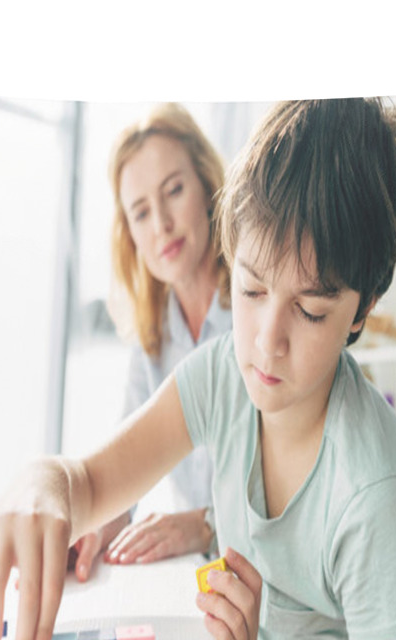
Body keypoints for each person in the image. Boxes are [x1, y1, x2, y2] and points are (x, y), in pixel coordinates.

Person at [0, 98, 396, 640]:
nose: (266, 344)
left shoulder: (374, 496)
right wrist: (42, 483)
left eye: (311, 311)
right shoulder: (222, 372)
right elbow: (87, 481)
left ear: (361, 308)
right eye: (250, 289)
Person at [70, 103, 232, 582]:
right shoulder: (154, 336)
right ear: (131, 234)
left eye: (174, 191)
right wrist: (97, 529)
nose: (160, 223)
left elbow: (296, 478)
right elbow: (125, 474)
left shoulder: (259, 302)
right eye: (141, 212)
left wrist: (204, 525)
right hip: (213, 587)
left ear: (207, 187)